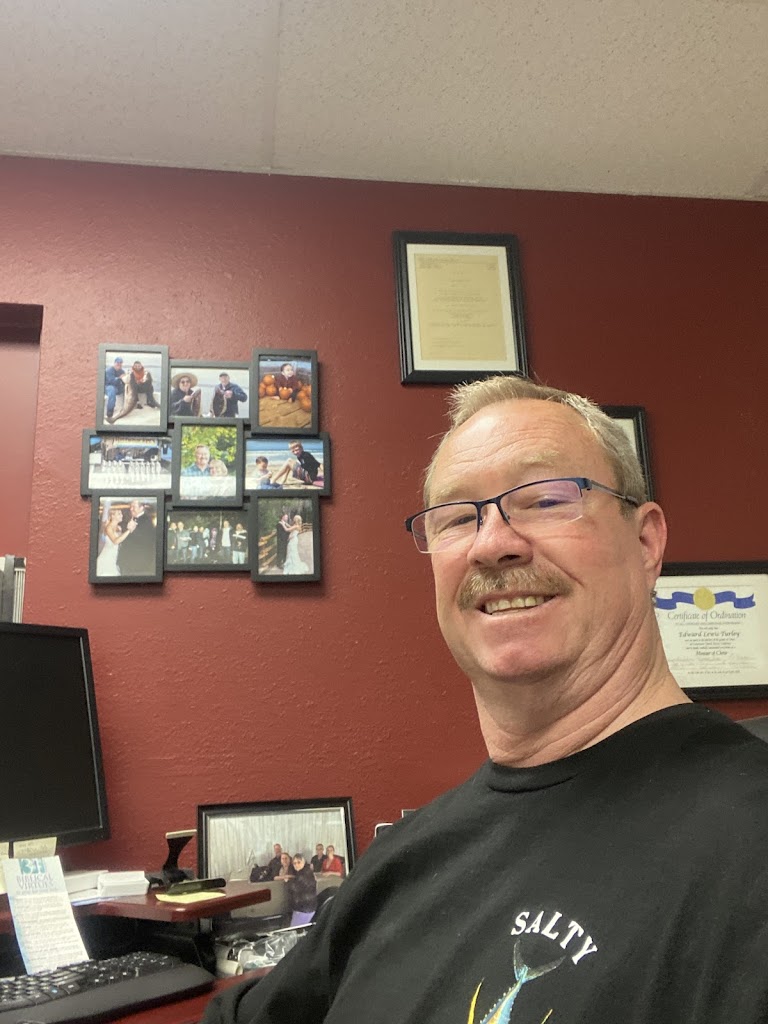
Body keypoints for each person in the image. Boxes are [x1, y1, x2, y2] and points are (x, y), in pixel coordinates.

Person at [202, 374, 768, 1024]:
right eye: (455, 518)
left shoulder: (749, 846)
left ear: (645, 542)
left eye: (546, 499)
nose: (492, 544)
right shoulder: (403, 859)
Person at [115, 499, 156, 576]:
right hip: (127, 563)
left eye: (134, 507)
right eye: (131, 506)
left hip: (137, 565)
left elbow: (146, 540)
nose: (131, 509)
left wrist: (132, 530)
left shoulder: (147, 521)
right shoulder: (130, 519)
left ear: (141, 508)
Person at [95, 506, 136, 576]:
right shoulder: (108, 528)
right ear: (112, 516)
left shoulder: (119, 528)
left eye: (121, 513)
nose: (122, 515)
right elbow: (115, 541)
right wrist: (129, 530)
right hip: (107, 558)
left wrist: (130, 527)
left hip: (114, 557)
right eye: (119, 514)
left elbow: (121, 540)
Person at [285, 854, 318, 927]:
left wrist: (288, 882)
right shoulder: (308, 872)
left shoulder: (303, 874)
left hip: (303, 909)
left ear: (304, 862)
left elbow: (295, 887)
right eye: (294, 863)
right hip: (309, 907)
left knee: (294, 930)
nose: (296, 865)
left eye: (298, 862)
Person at [103, 356, 126, 420]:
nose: (119, 364)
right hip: (107, 386)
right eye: (117, 363)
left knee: (128, 389)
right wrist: (119, 378)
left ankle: (125, 408)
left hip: (117, 387)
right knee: (112, 390)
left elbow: (124, 382)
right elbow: (111, 381)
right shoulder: (109, 370)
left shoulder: (122, 371)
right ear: (114, 363)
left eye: (120, 363)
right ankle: (109, 413)